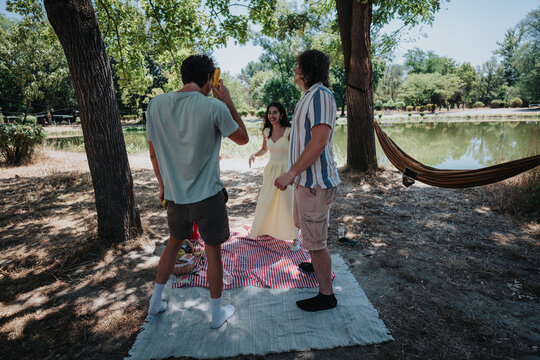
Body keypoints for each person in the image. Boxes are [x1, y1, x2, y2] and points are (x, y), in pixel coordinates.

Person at [146, 54, 249, 328]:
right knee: (213, 251)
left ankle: (155, 303)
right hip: (207, 196)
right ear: (208, 80)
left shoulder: (155, 105)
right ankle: (216, 314)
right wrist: (226, 99)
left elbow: (153, 153)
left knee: (173, 243)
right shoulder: (213, 106)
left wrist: (163, 185)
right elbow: (243, 138)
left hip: (175, 196)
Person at [275, 49, 341, 312]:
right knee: (305, 228)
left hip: (316, 184)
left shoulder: (321, 95)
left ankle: (326, 295)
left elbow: (320, 140)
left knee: (316, 242)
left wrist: (291, 173)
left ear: (306, 69)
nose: (294, 70)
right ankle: (314, 265)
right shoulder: (309, 96)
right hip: (305, 182)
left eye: (297, 66)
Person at [248, 102, 300, 251]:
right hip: (271, 170)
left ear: (281, 114)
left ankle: (296, 238)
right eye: (269, 112)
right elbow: (264, 150)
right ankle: (266, 228)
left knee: (287, 202)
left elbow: (297, 152)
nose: (272, 115)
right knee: (267, 199)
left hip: (286, 170)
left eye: (275, 112)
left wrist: (294, 172)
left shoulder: (289, 131)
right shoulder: (266, 131)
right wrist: (254, 155)